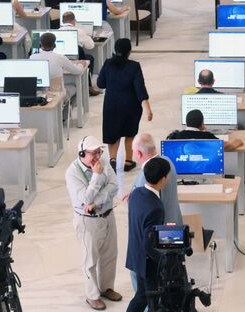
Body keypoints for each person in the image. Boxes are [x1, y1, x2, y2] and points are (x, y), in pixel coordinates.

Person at [111, 157, 172, 312]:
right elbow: (149, 242)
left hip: (136, 258)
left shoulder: (137, 193)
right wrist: (164, 260)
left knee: (140, 300)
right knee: (156, 308)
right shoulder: (156, 206)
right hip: (149, 264)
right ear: (163, 179)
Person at [65, 136, 122, 311]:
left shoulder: (103, 161)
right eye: (93, 153)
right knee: (90, 259)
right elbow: (84, 198)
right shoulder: (72, 172)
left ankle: (106, 287)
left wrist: (96, 203)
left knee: (110, 254)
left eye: (99, 152)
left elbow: (114, 186)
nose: (98, 157)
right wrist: (97, 177)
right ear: (82, 153)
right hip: (87, 221)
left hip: (107, 214)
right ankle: (92, 295)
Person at [99, 38, 152, 171]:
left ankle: (113, 159)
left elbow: (100, 83)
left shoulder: (108, 64)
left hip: (111, 105)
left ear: (115, 50)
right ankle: (128, 161)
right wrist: (148, 109)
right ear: (129, 51)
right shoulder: (134, 66)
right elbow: (140, 89)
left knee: (114, 135)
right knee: (129, 134)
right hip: (131, 107)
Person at [126, 133, 182, 223]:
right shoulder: (168, 161)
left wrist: (133, 198)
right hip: (174, 222)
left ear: (139, 153)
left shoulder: (148, 174)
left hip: (160, 231)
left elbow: (142, 208)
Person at [34, 31, 89, 100]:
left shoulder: (32, 57)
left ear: (40, 45)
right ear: (54, 45)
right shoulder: (60, 57)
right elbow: (78, 71)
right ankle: (67, 109)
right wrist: (81, 64)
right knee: (74, 86)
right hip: (57, 94)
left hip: (41, 94)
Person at [167, 109, 245, 150]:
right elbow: (227, 146)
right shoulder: (207, 136)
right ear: (202, 123)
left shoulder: (177, 136)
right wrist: (238, 141)